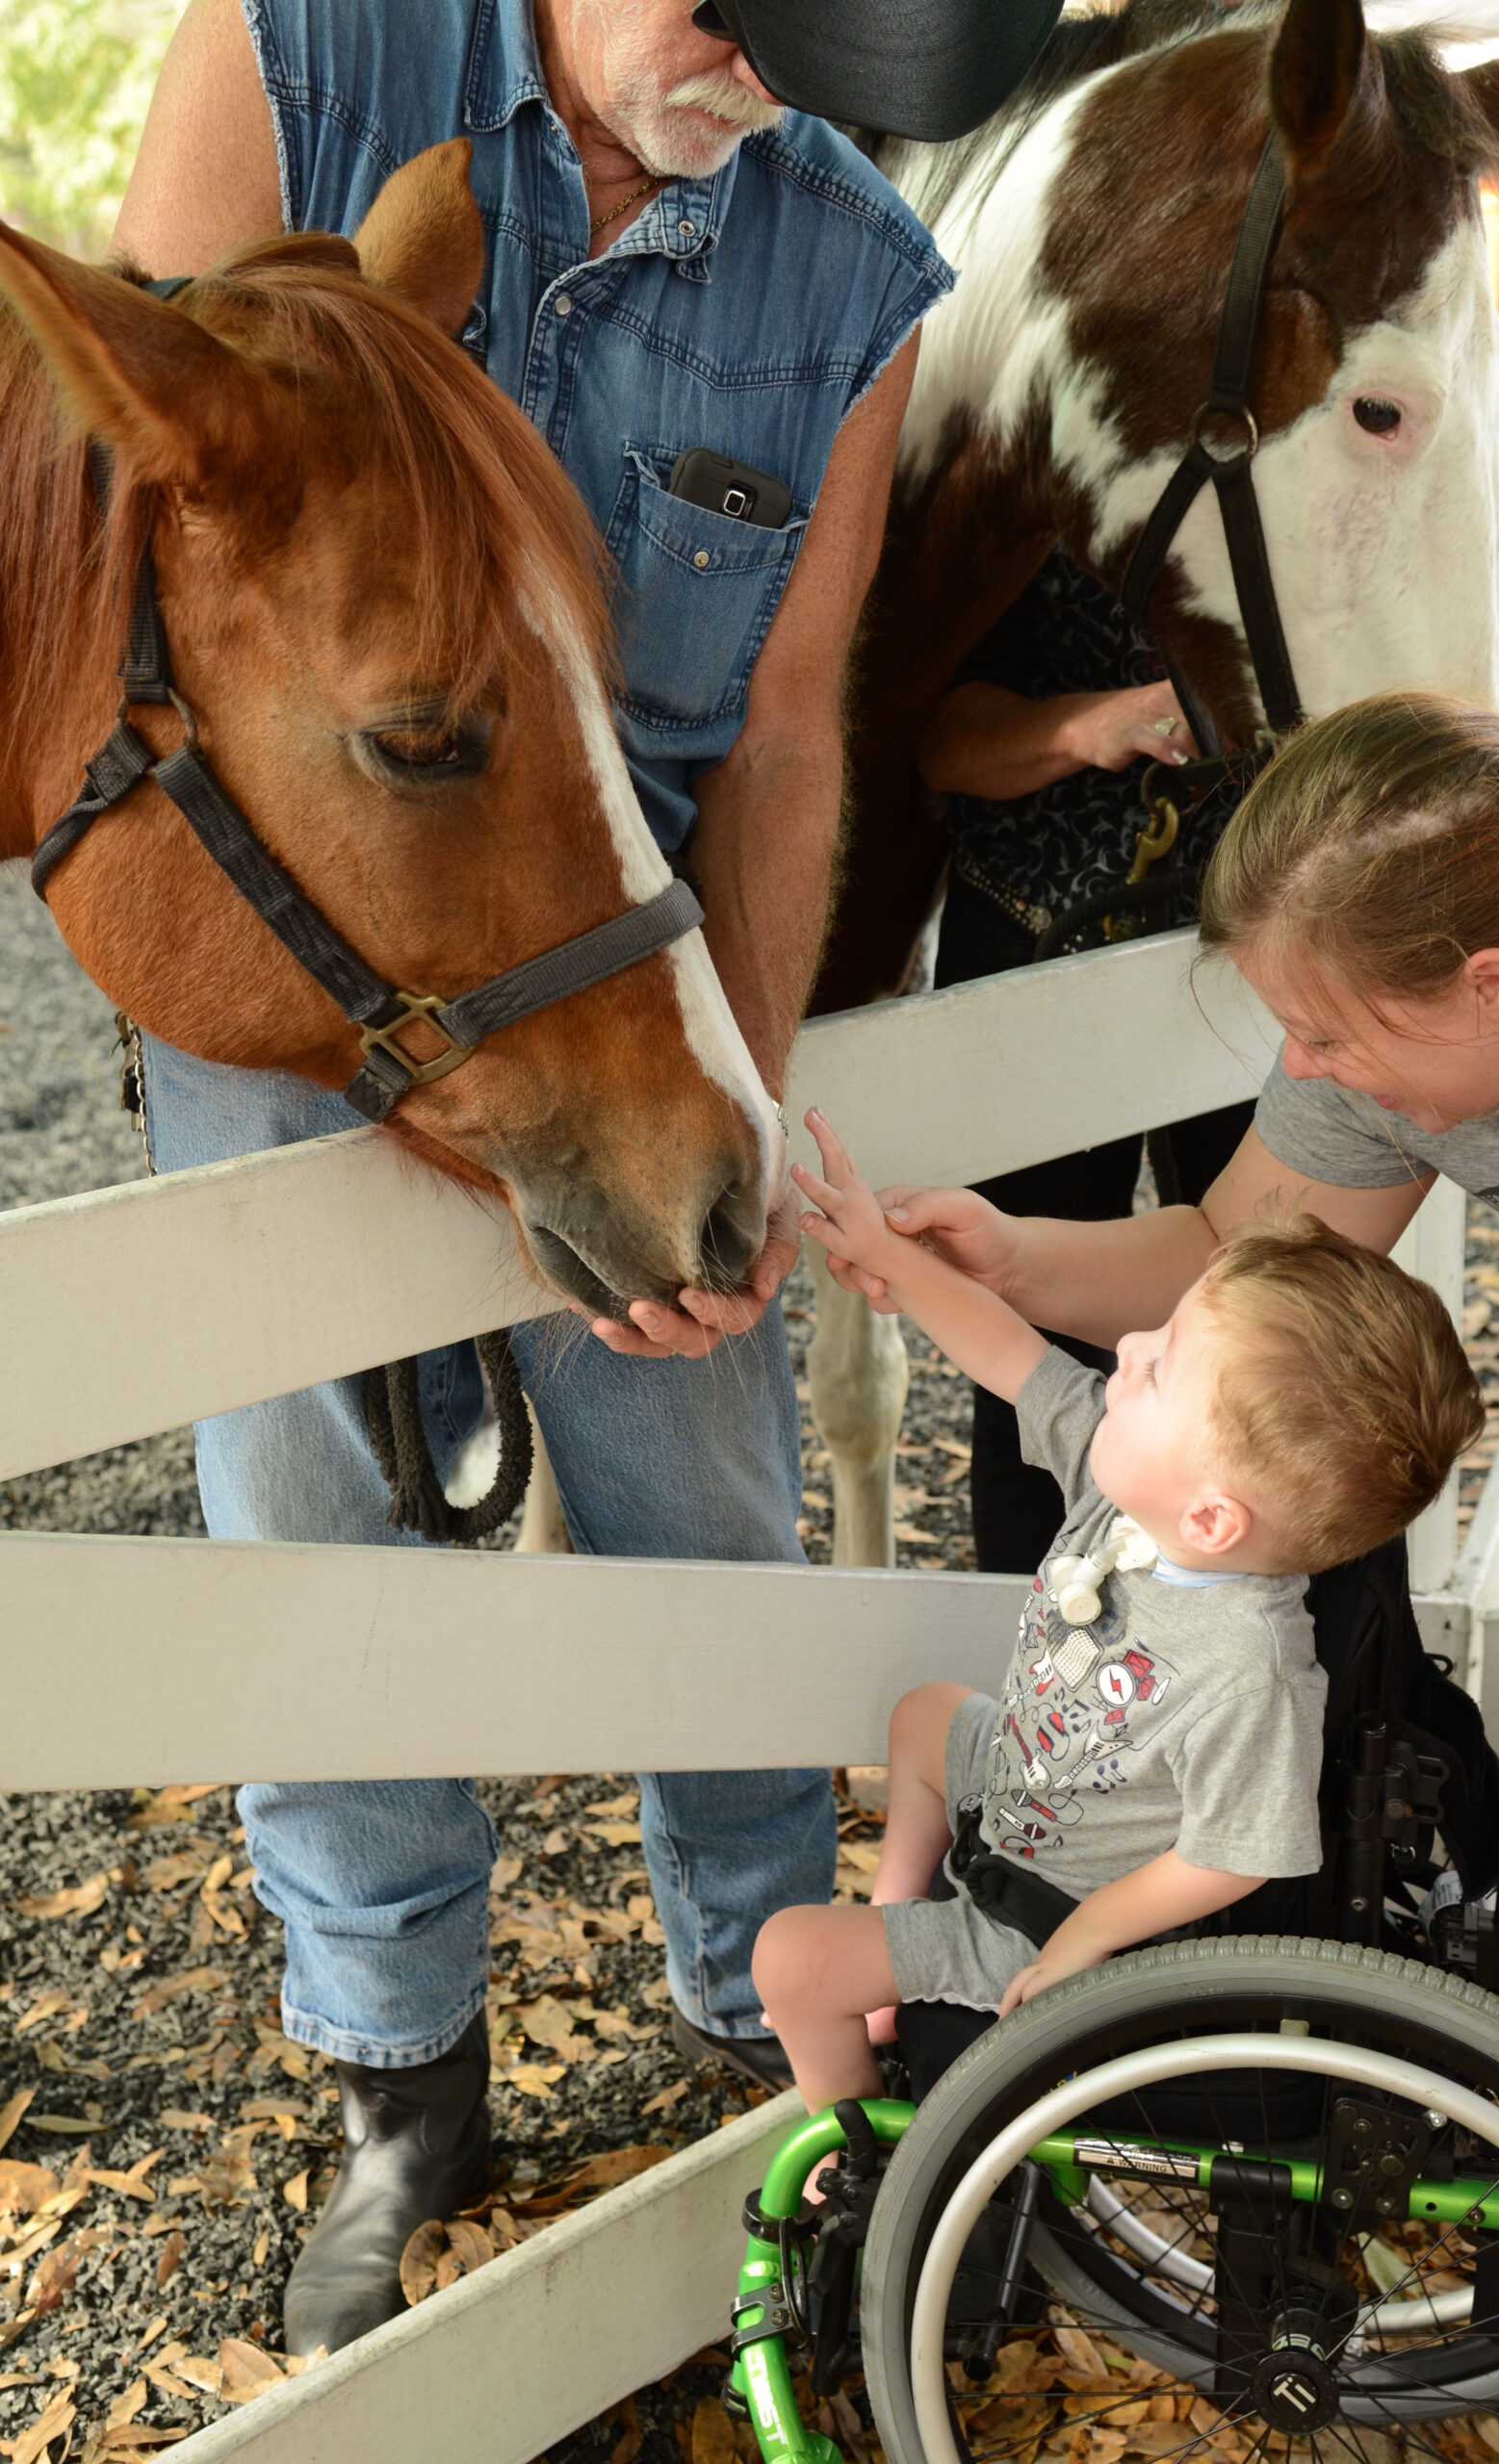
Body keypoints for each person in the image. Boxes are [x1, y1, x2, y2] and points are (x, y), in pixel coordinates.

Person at [109, 0, 980, 2359]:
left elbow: (786, 728)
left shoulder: (859, 270)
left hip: (630, 944)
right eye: (734, 19)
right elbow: (143, 570)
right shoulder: (290, 61)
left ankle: (755, 2006)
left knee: (710, 1488)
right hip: (324, 947)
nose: (762, 88)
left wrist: (742, 1084)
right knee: (314, 1520)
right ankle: (403, 2067)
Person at [824, 687, 1499, 2449]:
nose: (1310, 1072)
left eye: (1328, 1040)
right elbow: (1226, 1247)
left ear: (1494, 988)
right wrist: (1014, 1255)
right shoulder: (1410, 1008)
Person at [754, 1112, 1481, 2114]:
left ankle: (854, 2142)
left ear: (1213, 1515)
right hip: (1023, 1787)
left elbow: (1234, 1852)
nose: (1126, 1346)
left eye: (1158, 1365)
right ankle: (895, 1931)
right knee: (925, 1712)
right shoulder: (1134, 1484)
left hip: (1044, 1906)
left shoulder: (1248, 1666)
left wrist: (1088, 1932)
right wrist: (890, 1259)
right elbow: (1004, 1349)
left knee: (787, 1958)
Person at [917, 550, 1253, 1574]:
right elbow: (930, 738)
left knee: (1272, 1324)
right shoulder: (1027, 477)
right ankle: (1046, 1667)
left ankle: (1281, 1676)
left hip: (1252, 956)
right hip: (1033, 946)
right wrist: (1082, 724)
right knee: (1028, 1336)